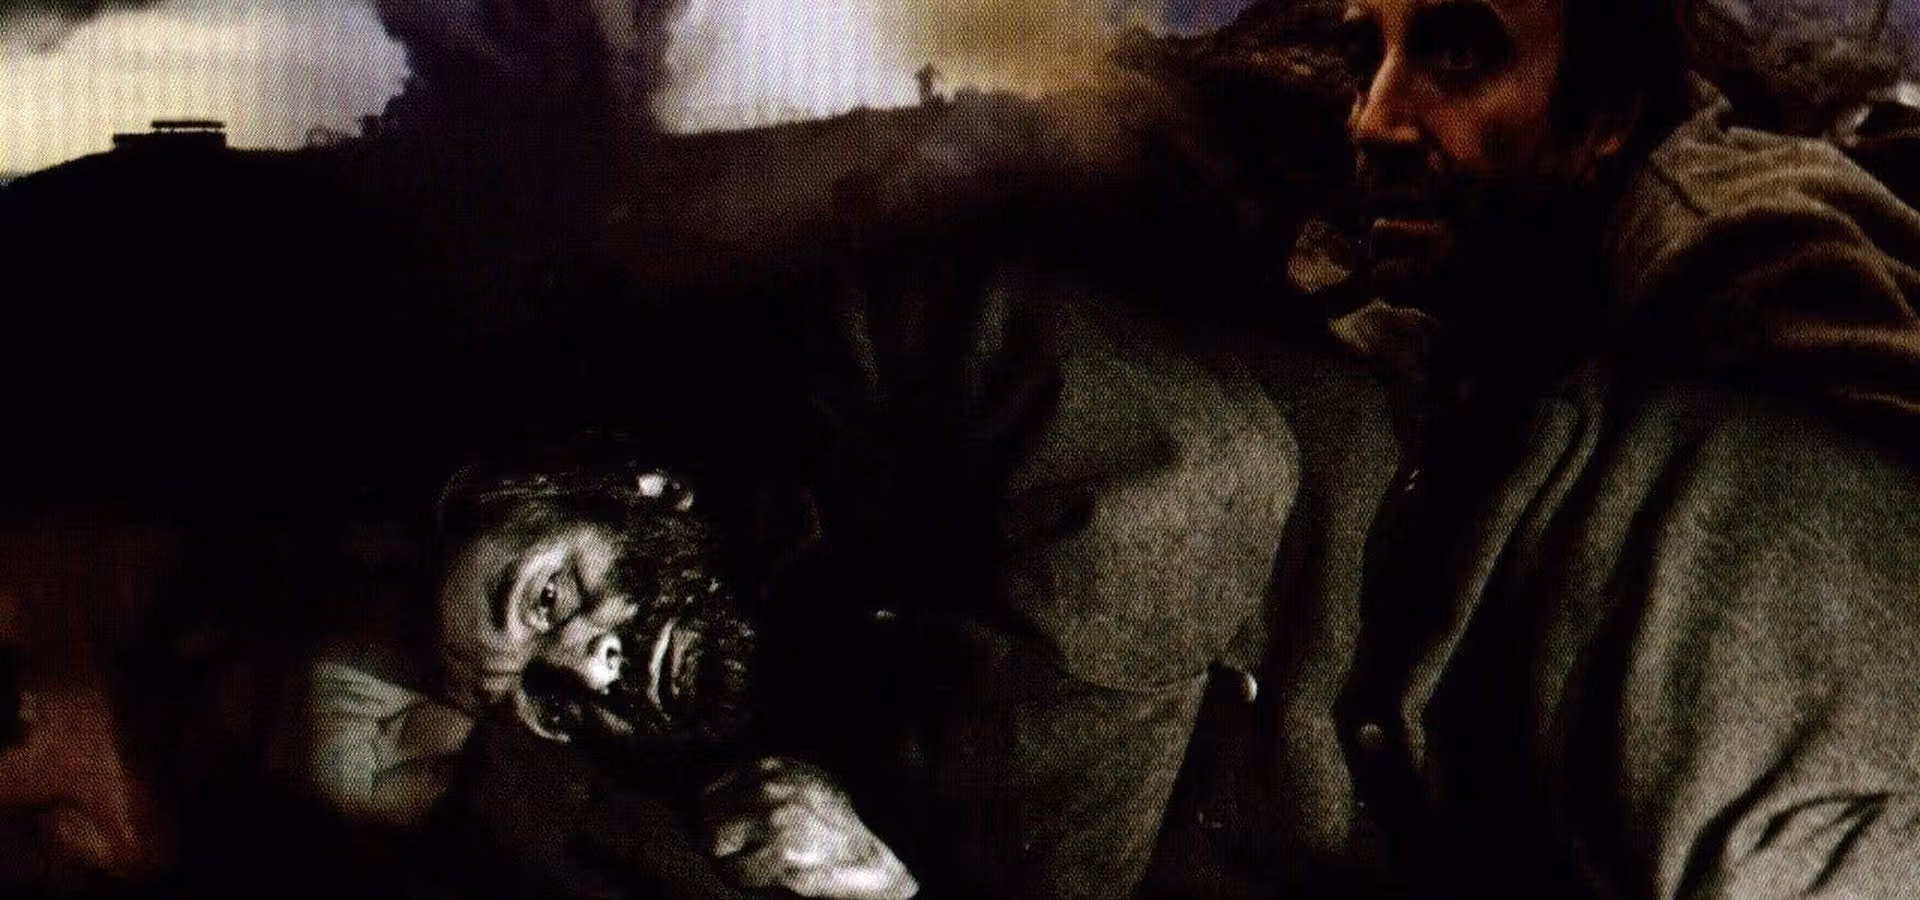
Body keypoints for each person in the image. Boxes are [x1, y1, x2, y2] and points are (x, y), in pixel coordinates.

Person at [1313, 0, 1920, 895]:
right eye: (1367, 58)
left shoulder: (1729, 254)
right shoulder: (1486, 224)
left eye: (1460, 57)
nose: (1377, 118)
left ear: (1606, 118)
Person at [274, 461, 917, 900]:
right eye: (546, 702)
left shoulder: (874, 496)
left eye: (548, 598)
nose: (589, 672)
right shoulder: (682, 813)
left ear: (646, 490)